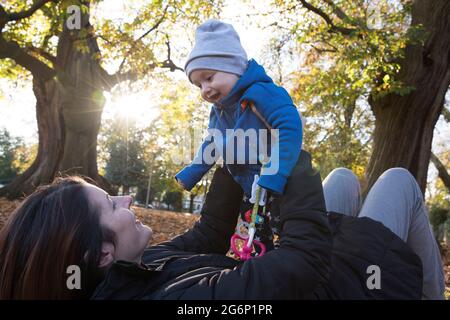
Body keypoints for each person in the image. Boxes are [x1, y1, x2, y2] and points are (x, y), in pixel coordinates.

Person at [1, 150, 441, 300]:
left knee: (343, 179)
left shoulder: (132, 270)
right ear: (100, 252)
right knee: (399, 182)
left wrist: (232, 155)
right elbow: (303, 259)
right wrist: (288, 153)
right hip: (323, 282)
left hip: (310, 275)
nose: (127, 198)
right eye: (112, 205)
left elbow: (208, 235)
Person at [175, 19, 303, 250]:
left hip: (279, 181)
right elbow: (212, 141)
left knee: (286, 232)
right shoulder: (220, 110)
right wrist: (193, 171)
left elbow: (290, 127)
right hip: (249, 186)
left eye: (209, 77)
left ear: (233, 67)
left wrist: (276, 173)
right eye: (198, 85)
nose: (205, 89)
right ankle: (256, 261)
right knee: (253, 231)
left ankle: (296, 264)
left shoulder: (261, 93)